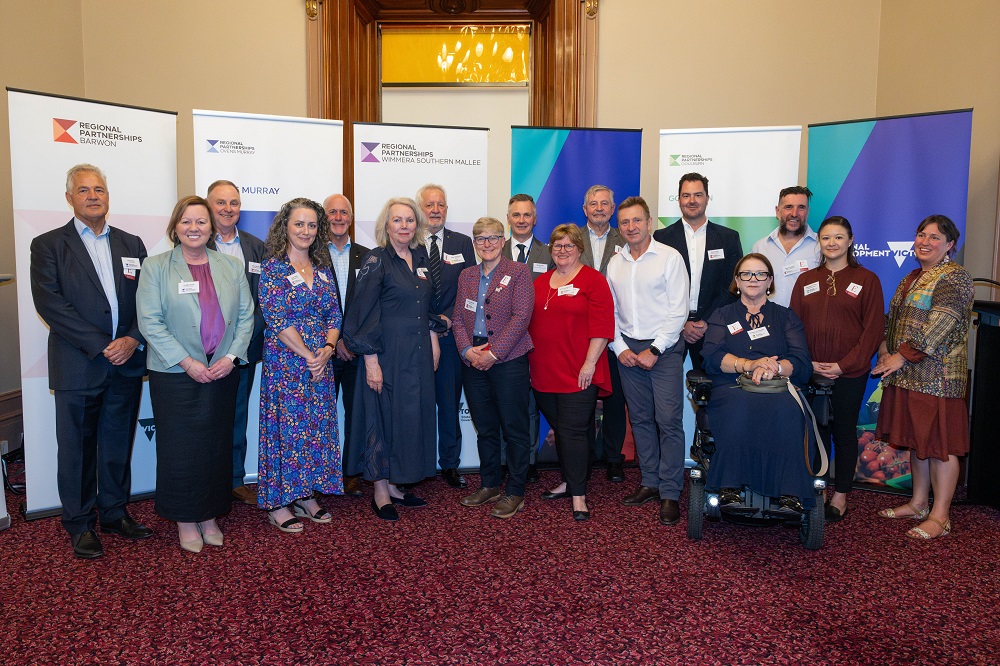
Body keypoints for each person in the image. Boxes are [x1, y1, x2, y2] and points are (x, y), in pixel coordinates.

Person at [30, 163, 153, 559]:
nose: (93, 196)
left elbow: (148, 301)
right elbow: (51, 304)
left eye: (99, 189)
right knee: (77, 450)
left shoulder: (132, 243)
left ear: (108, 195)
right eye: (83, 190)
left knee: (117, 443)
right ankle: (80, 523)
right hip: (79, 364)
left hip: (126, 363)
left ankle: (115, 512)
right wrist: (104, 344)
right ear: (70, 198)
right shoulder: (48, 244)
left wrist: (132, 338)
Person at [137, 195, 254, 553]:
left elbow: (247, 316)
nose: (194, 228)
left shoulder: (230, 267)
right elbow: (150, 322)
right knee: (180, 449)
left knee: (216, 447)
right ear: (175, 227)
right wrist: (188, 363)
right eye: (186, 222)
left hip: (221, 371)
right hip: (175, 375)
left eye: (201, 222)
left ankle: (210, 515)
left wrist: (232, 357)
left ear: (211, 227)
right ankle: (186, 520)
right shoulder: (156, 266)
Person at [343, 197, 446, 521]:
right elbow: (362, 314)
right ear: (386, 226)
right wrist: (371, 362)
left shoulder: (420, 257)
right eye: (397, 220)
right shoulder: (377, 260)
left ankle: (398, 483)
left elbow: (427, 305)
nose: (404, 226)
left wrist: (434, 342)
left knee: (409, 419)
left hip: (417, 356)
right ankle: (380, 490)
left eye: (409, 220)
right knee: (383, 419)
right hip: (386, 356)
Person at [872, 215, 973, 540]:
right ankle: (917, 503)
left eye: (934, 237)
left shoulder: (954, 278)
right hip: (907, 376)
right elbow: (894, 321)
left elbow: (941, 325)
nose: (925, 242)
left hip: (939, 378)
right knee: (919, 442)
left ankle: (940, 515)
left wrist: (901, 356)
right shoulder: (911, 277)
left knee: (940, 445)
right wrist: (885, 349)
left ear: (949, 245)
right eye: (921, 235)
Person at [701, 253, 817, 508]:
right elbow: (711, 357)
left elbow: (800, 361)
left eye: (760, 274)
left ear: (770, 281)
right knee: (738, 405)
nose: (753, 279)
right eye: (746, 274)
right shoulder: (722, 315)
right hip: (732, 386)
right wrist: (749, 364)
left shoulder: (786, 317)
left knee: (788, 409)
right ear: (737, 281)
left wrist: (775, 367)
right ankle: (729, 486)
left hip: (777, 386)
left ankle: (790, 491)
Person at [257, 198, 344, 533]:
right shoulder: (274, 269)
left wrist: (327, 347)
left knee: (315, 430)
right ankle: (278, 502)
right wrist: (309, 355)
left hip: (320, 363)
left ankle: (306, 495)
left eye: (311, 225)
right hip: (287, 364)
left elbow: (334, 315)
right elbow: (276, 319)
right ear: (285, 227)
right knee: (286, 431)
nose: (306, 231)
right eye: (299, 224)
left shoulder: (322, 271)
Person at [790, 216, 884, 522]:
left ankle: (841, 496)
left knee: (843, 433)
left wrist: (843, 366)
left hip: (850, 374)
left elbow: (872, 330)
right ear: (819, 241)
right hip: (811, 371)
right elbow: (794, 326)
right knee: (814, 433)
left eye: (839, 237)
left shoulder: (867, 279)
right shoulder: (805, 280)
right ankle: (816, 490)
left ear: (851, 240)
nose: (832, 243)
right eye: (826, 237)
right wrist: (807, 362)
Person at [607, 197, 690, 526]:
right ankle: (650, 483)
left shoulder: (669, 258)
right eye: (625, 222)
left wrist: (654, 350)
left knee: (668, 421)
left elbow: (678, 310)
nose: (631, 227)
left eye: (636, 221)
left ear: (649, 222)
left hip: (664, 349)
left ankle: (670, 492)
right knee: (640, 420)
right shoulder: (616, 263)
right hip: (628, 349)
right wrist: (618, 346)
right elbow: (609, 310)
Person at [528, 224, 615, 521]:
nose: (562, 251)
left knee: (574, 432)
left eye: (568, 246)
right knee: (564, 431)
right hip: (543, 371)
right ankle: (571, 480)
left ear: (579, 249)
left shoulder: (593, 280)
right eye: (557, 246)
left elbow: (603, 327)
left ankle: (579, 496)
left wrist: (590, 363)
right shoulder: (539, 283)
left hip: (580, 371)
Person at [454, 217, 534, 519]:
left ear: (503, 241)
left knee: (514, 428)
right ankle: (489, 484)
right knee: (486, 428)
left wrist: (494, 354)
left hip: (509, 360)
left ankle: (515, 491)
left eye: (493, 238)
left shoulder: (518, 272)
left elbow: (521, 317)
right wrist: (466, 350)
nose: (487, 244)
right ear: (474, 244)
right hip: (473, 358)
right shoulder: (466, 276)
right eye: (480, 239)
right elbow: (459, 318)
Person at [205, 180, 266, 507]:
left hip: (243, 352)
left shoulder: (258, 247)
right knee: (206, 418)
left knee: (238, 415)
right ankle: (209, 481)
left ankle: (234, 479)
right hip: (203, 353)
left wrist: (240, 343)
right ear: (208, 205)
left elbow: (264, 302)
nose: (228, 209)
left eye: (234, 203)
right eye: (221, 203)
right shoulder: (195, 243)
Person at [417, 184, 476, 489]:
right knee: (417, 403)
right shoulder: (409, 242)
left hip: (453, 336)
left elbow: (470, 288)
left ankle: (450, 464)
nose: (435, 209)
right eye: (430, 204)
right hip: (416, 337)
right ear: (420, 208)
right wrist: (429, 322)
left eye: (441, 204)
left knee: (450, 403)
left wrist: (449, 318)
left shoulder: (463, 243)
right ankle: (419, 462)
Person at [653, 172, 742, 371]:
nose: (692, 201)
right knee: (665, 390)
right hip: (671, 327)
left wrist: (707, 321)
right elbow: (657, 288)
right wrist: (683, 323)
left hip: (714, 327)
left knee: (714, 391)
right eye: (686, 195)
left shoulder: (728, 238)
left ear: (707, 199)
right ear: (679, 200)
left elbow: (733, 285)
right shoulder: (661, 237)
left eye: (698, 195)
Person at [500, 193, 553, 482]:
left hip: (539, 342)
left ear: (535, 218)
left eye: (527, 215)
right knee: (506, 405)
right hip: (504, 343)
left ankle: (528, 461)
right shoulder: (495, 250)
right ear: (508, 218)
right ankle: (504, 462)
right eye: (516, 215)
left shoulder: (549, 254)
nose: (521, 220)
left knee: (530, 406)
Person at [578, 184, 627, 483]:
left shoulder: (629, 238)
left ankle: (613, 457)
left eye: (604, 203)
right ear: (585, 210)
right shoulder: (572, 238)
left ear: (613, 208)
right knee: (580, 398)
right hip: (579, 333)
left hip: (618, 331)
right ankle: (581, 456)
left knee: (615, 398)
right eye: (593, 204)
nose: (598, 208)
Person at [324, 193, 370, 498]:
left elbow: (370, 305)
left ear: (351, 218)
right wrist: (335, 340)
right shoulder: (311, 256)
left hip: (356, 352)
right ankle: (323, 474)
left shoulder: (367, 256)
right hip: (322, 351)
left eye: (344, 213)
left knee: (357, 414)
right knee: (322, 415)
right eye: (332, 213)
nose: (339, 218)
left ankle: (351, 472)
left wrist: (350, 340)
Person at [751, 186, 821, 307]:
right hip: (766, 321)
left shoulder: (821, 247)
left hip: (805, 323)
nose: (794, 214)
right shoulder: (760, 248)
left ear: (807, 212)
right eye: (788, 207)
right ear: (777, 211)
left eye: (801, 208)